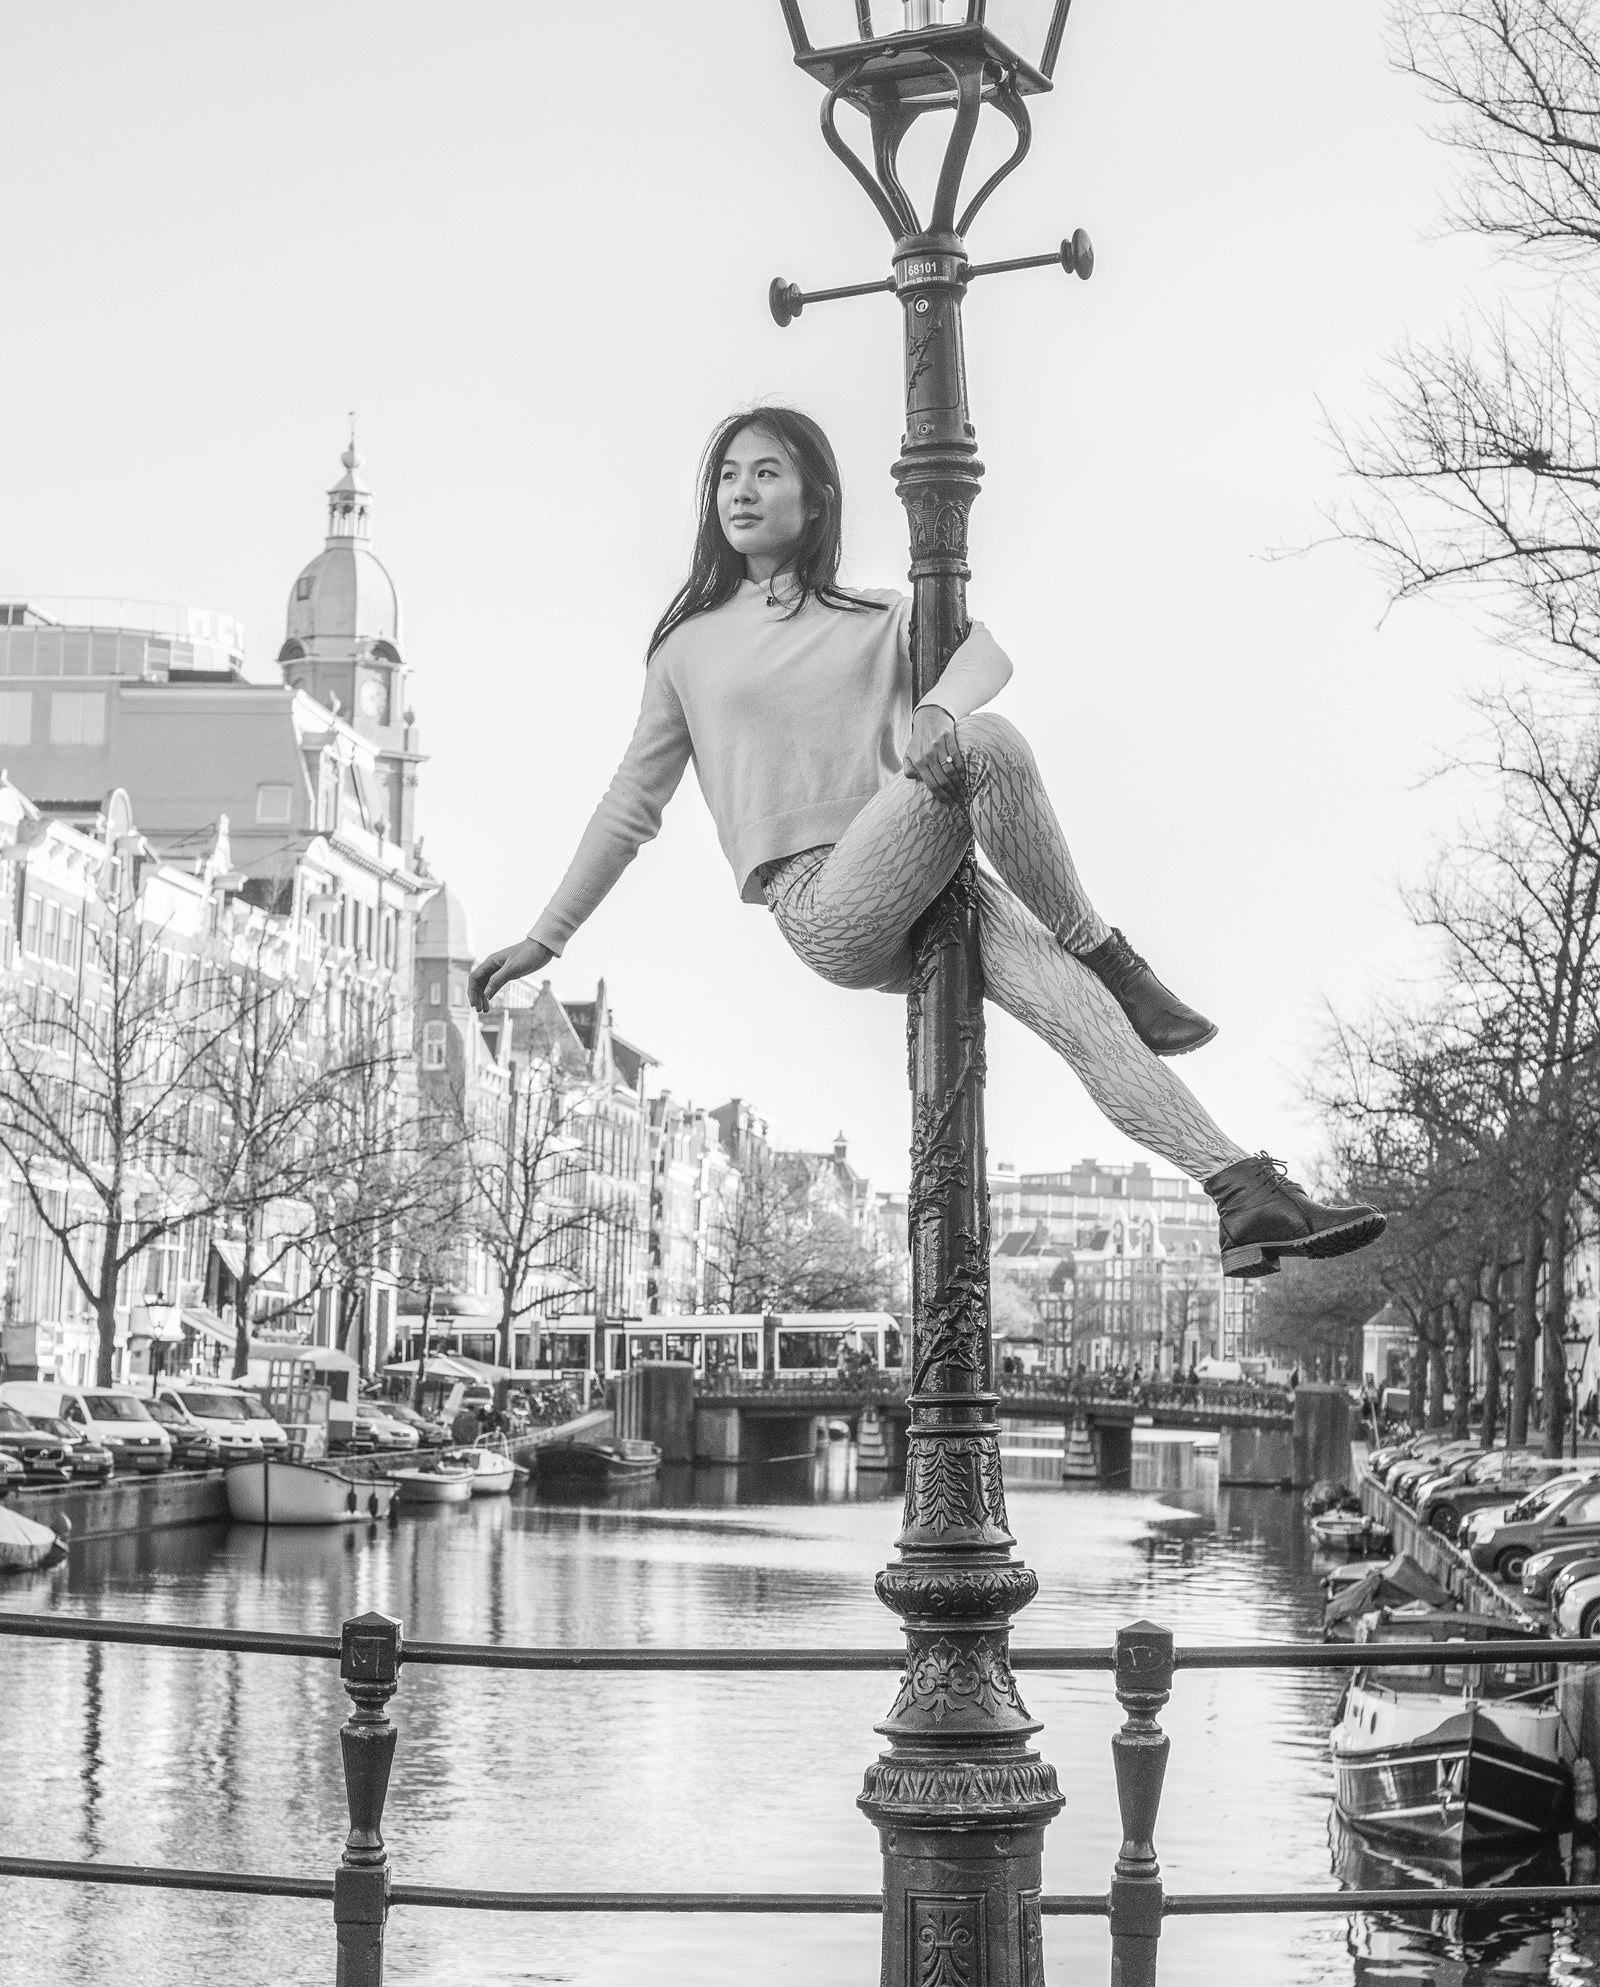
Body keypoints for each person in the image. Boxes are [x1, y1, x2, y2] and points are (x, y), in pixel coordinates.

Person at [469, 407, 1386, 1279]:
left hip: (929, 862)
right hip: (824, 899)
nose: (740, 491)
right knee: (991, 745)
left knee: (1083, 1017)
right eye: (728, 476)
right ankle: (1109, 953)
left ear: (815, 500)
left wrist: (938, 704)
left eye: (767, 472)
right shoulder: (689, 647)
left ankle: (1241, 1191)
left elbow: (987, 651)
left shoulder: (877, 614)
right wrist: (545, 938)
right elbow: (630, 803)